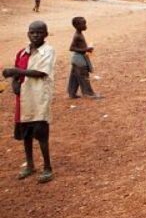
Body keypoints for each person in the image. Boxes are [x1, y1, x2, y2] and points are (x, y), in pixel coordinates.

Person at [2, 21, 56, 184]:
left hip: (38, 98)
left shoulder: (48, 51)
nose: (35, 35)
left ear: (46, 34)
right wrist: (15, 83)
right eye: (32, 32)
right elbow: (17, 74)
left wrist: (16, 71)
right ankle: (30, 164)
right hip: (23, 99)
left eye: (39, 32)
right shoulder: (22, 53)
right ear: (28, 34)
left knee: (40, 132)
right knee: (26, 133)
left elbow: (40, 72)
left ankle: (47, 167)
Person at [67, 17, 100, 99]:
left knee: (74, 77)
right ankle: (89, 93)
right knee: (83, 75)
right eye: (83, 24)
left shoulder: (79, 34)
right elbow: (71, 48)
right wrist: (86, 49)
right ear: (77, 25)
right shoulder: (77, 36)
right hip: (79, 60)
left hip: (77, 59)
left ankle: (72, 93)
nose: (85, 26)